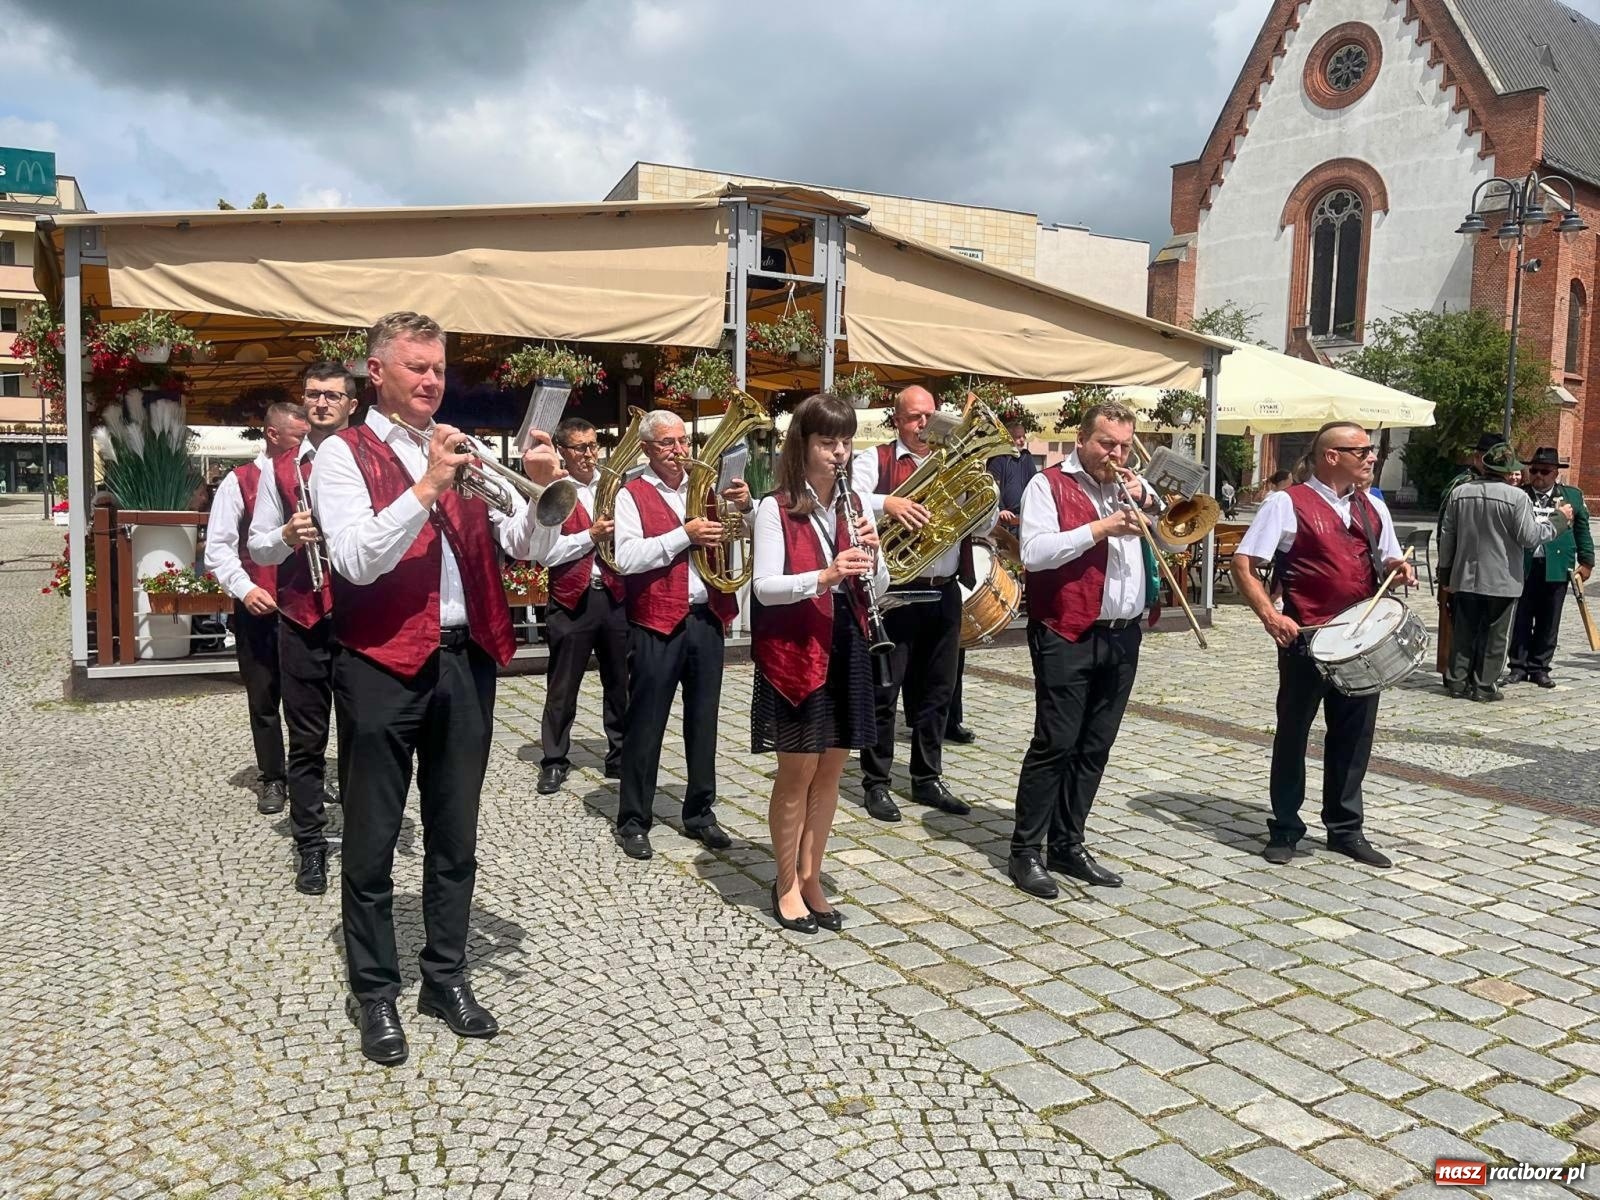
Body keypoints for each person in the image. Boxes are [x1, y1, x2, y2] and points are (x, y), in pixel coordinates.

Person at [311, 312, 566, 1066]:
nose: (429, 380)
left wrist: (545, 496)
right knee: (372, 838)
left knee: (455, 835)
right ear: (376, 372)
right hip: (379, 663)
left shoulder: (464, 450)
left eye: (437, 369)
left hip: (465, 660)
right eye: (415, 367)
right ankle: (376, 992)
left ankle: (444, 976)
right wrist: (427, 483)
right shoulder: (341, 456)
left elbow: (525, 544)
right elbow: (357, 560)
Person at [1232, 421, 1414, 869]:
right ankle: (1286, 827)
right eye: (1363, 450)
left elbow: (1387, 555)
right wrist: (1270, 616)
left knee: (1354, 736)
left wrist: (1398, 567)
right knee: (1293, 732)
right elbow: (1243, 562)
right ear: (1332, 456)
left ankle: (1345, 829)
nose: (1371, 457)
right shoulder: (1285, 503)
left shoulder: (1372, 507)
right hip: (1305, 640)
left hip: (1361, 639)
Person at [1006, 401, 1167, 898]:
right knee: (1055, 742)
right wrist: (1100, 528)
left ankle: (1069, 843)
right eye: (1106, 444)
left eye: (1124, 445)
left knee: (1096, 745)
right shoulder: (1047, 484)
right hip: (1066, 629)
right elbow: (1034, 553)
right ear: (1081, 440)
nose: (1116, 454)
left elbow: (1177, 545)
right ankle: (1026, 851)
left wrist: (1154, 508)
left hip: (1123, 631)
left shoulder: (1134, 489)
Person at [751, 394, 889, 932]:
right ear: (804, 445)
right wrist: (824, 577)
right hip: (797, 651)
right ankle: (785, 882)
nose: (839, 452)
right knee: (797, 771)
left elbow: (876, 586)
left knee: (831, 771)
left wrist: (874, 562)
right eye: (827, 442)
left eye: (845, 441)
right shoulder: (776, 506)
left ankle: (812, 876)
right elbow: (764, 588)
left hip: (847, 643)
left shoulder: (853, 507)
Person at [852, 386, 996, 823]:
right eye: (914, 417)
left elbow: (988, 518)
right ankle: (876, 783)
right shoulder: (873, 461)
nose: (923, 425)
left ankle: (927, 777)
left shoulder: (954, 463)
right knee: (885, 690)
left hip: (945, 587)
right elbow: (847, 500)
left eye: (929, 416)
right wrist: (887, 502)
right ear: (896, 420)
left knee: (938, 690)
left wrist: (977, 494)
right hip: (895, 588)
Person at [611, 409, 749, 861]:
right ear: (647, 448)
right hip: (655, 621)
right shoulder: (631, 494)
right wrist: (682, 535)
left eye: (683, 442)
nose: (680, 452)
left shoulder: (704, 490)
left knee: (704, 721)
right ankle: (633, 819)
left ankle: (700, 813)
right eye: (668, 444)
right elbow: (627, 557)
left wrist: (743, 508)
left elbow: (742, 535)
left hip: (705, 617)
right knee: (645, 724)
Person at [247, 363, 359, 896]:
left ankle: (365, 839)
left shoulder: (370, 459)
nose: (321, 403)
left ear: (351, 405)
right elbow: (257, 546)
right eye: (314, 395)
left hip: (363, 617)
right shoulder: (282, 469)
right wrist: (288, 535)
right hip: (303, 617)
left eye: (333, 396)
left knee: (365, 737)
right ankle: (310, 845)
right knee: (308, 742)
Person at [204, 403, 308, 815]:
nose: (305, 442)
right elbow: (218, 548)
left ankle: (306, 775)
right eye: (298, 435)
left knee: (307, 700)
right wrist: (245, 589)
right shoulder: (240, 480)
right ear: (272, 434)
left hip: (305, 608)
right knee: (264, 697)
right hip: (259, 605)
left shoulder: (315, 473)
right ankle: (272, 777)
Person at [534, 417, 627, 794]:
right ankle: (554, 760)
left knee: (620, 682)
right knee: (562, 686)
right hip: (572, 598)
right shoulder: (553, 491)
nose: (590, 454)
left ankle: (620, 755)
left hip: (615, 595)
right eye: (580, 448)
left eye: (593, 445)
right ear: (563, 452)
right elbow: (547, 555)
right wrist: (590, 536)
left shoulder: (615, 486)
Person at [1438, 442, 1567, 701]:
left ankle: (1456, 681)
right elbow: (1530, 537)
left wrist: (1445, 572)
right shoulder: (1517, 496)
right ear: (1508, 471)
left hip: (1465, 575)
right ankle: (1484, 686)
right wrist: (1559, 520)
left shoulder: (1460, 493)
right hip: (1502, 578)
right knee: (1496, 636)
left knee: (1464, 631)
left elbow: (1447, 536)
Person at [1510, 448, 1594, 687]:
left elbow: (1582, 531)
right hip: (1523, 566)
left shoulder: (1572, 497)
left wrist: (1586, 562)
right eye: (1534, 470)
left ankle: (1540, 668)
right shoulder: (1519, 495)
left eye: (1544, 471)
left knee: (1549, 620)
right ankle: (1517, 666)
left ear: (1555, 473)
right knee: (1520, 619)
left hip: (1556, 566)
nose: (1538, 475)